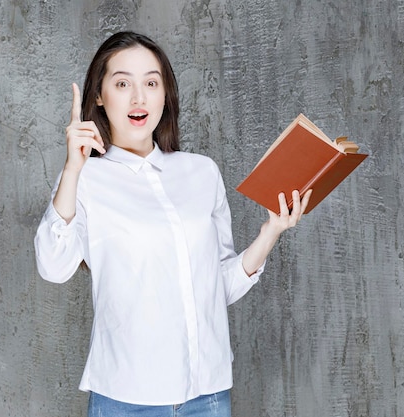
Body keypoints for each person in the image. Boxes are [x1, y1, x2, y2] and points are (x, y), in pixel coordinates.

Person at [34, 31, 311, 417]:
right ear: (99, 95)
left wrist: (271, 233)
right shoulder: (85, 180)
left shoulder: (200, 173)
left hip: (209, 395)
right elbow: (53, 266)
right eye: (122, 83)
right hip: (126, 399)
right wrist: (72, 168)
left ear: (166, 94)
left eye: (151, 82)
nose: (138, 98)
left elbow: (216, 287)